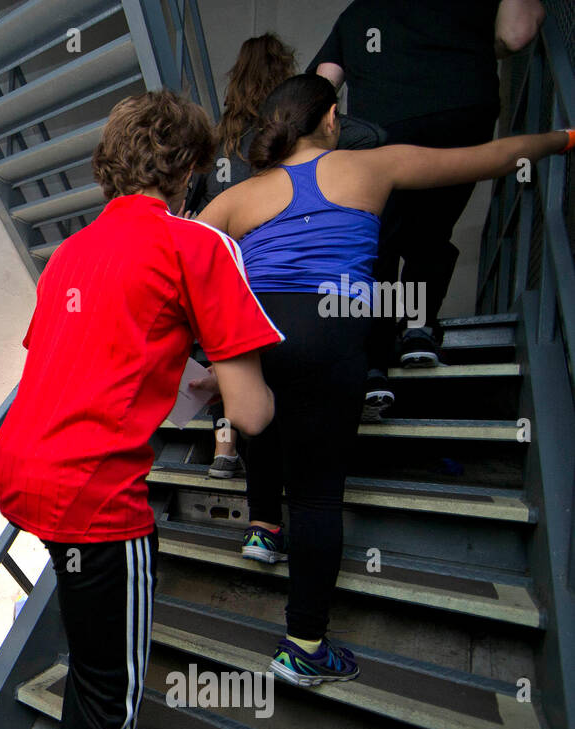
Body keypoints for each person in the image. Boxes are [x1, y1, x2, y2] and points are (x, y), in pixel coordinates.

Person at [197, 73, 571, 686]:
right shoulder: (370, 166)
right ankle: (303, 645)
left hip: (260, 334)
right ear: (329, 118)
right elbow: (488, 157)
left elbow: (177, 257)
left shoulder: (240, 198)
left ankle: (263, 534)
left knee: (265, 437)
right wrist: (561, 137)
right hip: (333, 328)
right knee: (317, 496)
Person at [0, 90, 281, 729]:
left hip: (23, 474)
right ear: (190, 167)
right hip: (93, 494)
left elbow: (83, 359)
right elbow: (250, 416)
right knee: (105, 706)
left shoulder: (70, 254)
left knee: (89, 657)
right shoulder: (196, 245)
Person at [309, 0, 547, 380]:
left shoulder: (359, 13)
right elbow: (515, 35)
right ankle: (419, 329)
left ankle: (374, 360)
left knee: (378, 238)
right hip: (462, 114)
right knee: (432, 229)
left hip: (381, 128)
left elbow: (322, 86)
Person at [188, 32, 389, 438]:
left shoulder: (219, 141)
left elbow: (195, 206)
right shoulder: (293, 139)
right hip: (305, 301)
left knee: (243, 390)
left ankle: (226, 441)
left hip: (239, 292)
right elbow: (373, 138)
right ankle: (375, 371)